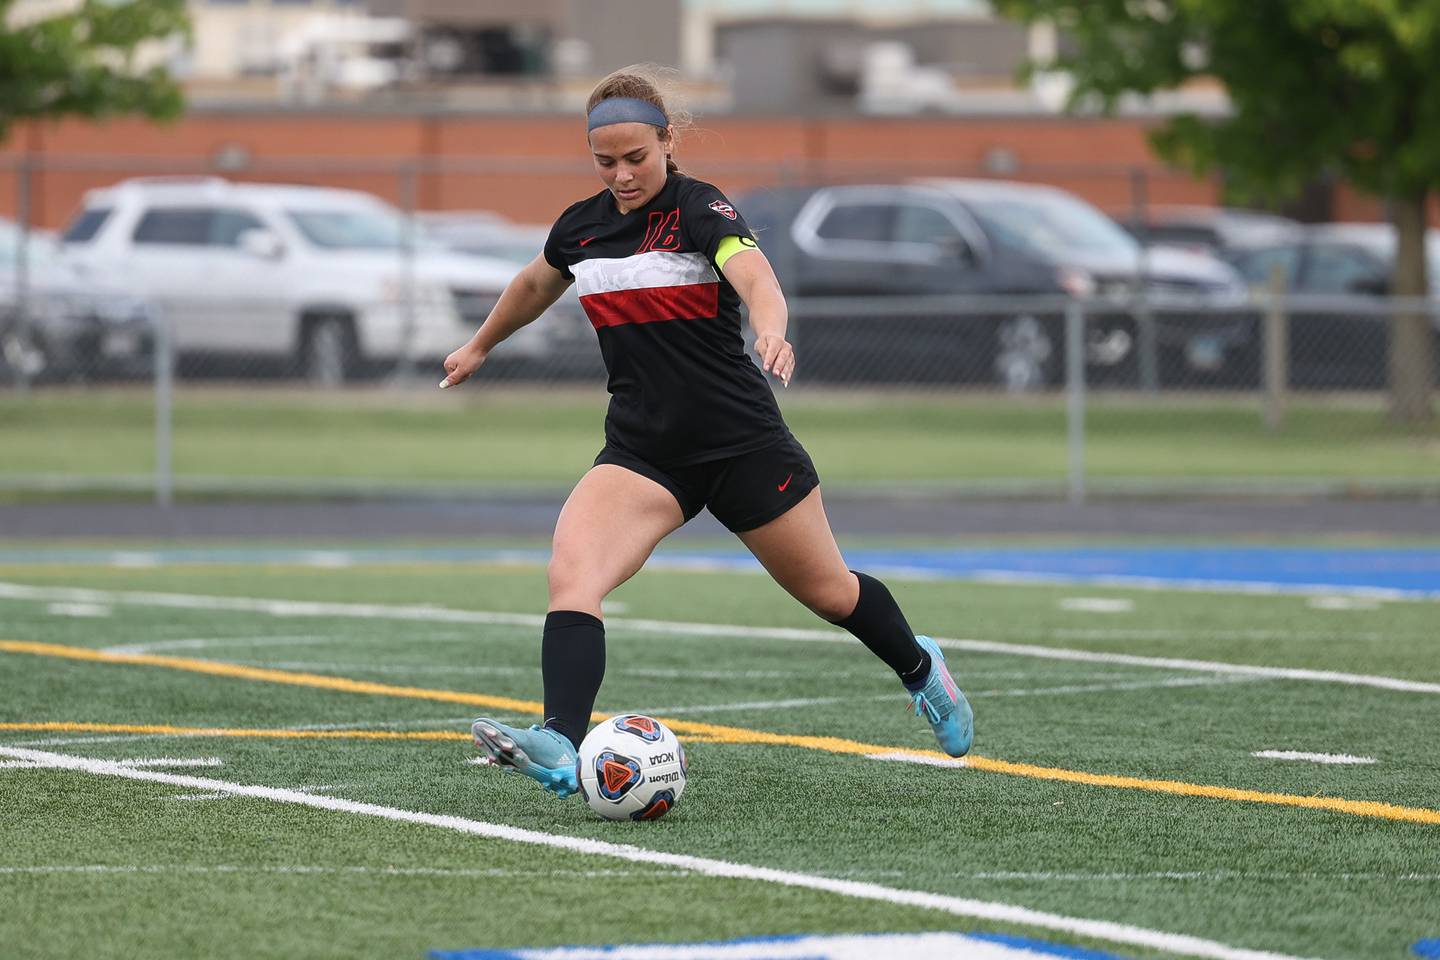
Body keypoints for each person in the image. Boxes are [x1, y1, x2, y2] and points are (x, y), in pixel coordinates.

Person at [442, 67, 972, 799]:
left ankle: (920, 667)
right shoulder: (582, 226)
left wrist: (772, 328)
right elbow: (536, 283)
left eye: (637, 158)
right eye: (606, 162)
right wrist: (480, 344)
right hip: (644, 452)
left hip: (741, 445)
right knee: (574, 575)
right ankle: (560, 740)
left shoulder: (699, 208)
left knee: (830, 593)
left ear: (667, 142)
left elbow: (752, 273)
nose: (623, 175)